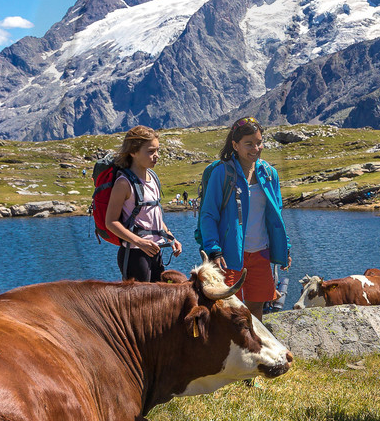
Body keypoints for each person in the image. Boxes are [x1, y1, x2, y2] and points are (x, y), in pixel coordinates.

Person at [199, 116, 290, 317]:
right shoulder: (222, 173)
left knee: (257, 307)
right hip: (228, 256)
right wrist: (214, 251)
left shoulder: (269, 173)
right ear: (235, 145)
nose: (255, 149)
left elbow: (277, 215)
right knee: (228, 310)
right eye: (249, 144)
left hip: (261, 253)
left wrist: (286, 247)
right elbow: (208, 215)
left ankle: (253, 348)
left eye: (259, 143)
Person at [103, 126, 182, 282]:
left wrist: (171, 238)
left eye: (157, 150)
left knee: (158, 303)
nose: (156, 156)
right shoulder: (123, 183)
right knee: (139, 306)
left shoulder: (152, 177)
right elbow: (110, 222)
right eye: (150, 151)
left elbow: (153, 216)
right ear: (133, 152)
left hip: (155, 251)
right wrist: (139, 242)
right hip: (135, 254)